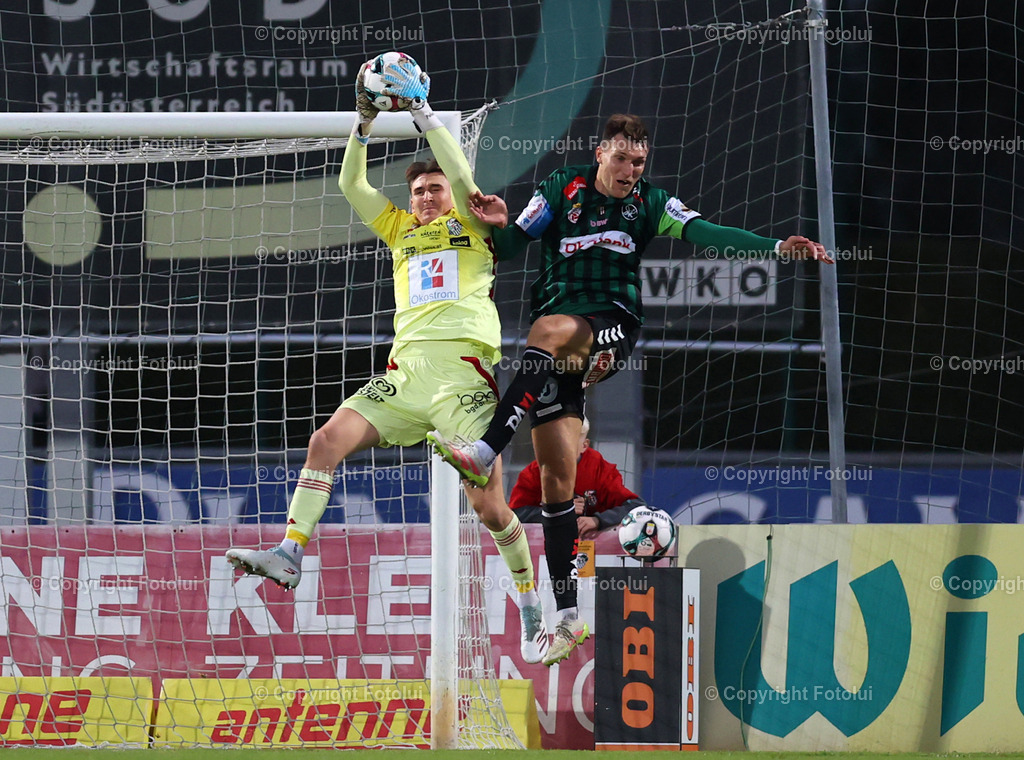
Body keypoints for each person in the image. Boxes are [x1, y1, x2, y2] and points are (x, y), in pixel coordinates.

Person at [429, 113, 834, 665]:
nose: (630, 171)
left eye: (639, 162)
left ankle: (483, 452)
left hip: (611, 325)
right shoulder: (560, 188)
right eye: (622, 159)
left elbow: (707, 233)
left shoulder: (651, 204)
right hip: (554, 355)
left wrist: (772, 246)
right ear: (600, 153)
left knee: (546, 332)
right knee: (556, 478)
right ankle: (568, 616)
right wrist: (500, 225)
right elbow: (511, 245)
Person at [226, 55, 549, 664]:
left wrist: (425, 117)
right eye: (419, 190)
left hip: (465, 383)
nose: (427, 197)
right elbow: (352, 185)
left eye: (435, 189)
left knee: (488, 508)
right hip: (403, 379)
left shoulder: (474, 225)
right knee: (325, 440)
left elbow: (462, 175)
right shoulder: (399, 230)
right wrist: (364, 122)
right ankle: (291, 552)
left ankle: (533, 616)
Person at [509, 417, 646, 664]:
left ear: (584, 445)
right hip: (551, 569)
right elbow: (514, 514)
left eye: (570, 439)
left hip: (598, 571)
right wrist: (555, 512)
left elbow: (635, 506)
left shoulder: (601, 469)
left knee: (596, 622)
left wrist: (598, 521)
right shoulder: (534, 472)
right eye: (555, 439)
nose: (560, 445)